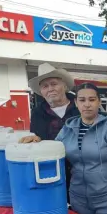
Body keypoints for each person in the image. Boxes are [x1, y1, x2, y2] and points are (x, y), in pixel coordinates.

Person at [21, 83, 107, 214]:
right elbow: (55, 149)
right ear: (76, 103)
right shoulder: (69, 128)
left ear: (98, 102)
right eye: (82, 100)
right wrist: (38, 141)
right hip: (79, 198)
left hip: (106, 197)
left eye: (92, 99)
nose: (87, 104)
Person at [28, 63, 80, 202]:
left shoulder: (80, 106)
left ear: (64, 85)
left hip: (82, 170)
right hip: (52, 170)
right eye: (45, 86)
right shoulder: (38, 113)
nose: (50, 89)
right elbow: (37, 139)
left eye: (54, 84)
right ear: (41, 91)